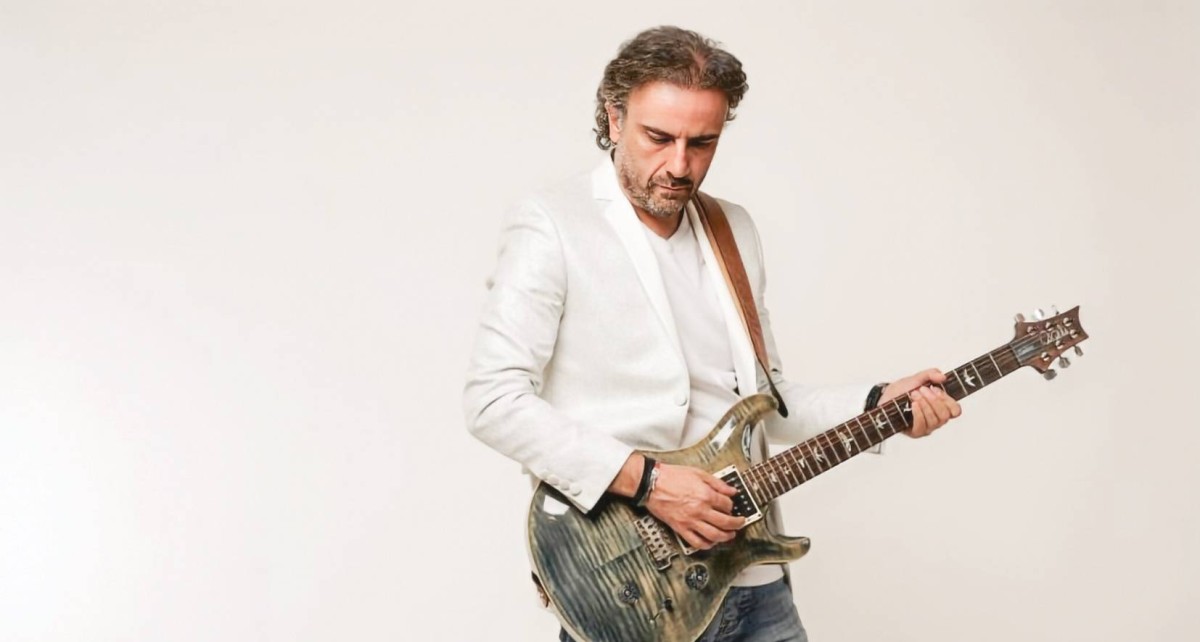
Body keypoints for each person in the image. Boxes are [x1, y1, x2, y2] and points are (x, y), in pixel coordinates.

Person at [463, 25, 962, 642]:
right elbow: (492, 401)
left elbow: (768, 400)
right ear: (614, 119)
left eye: (702, 143)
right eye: (659, 137)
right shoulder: (553, 224)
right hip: (634, 589)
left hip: (753, 580)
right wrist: (650, 484)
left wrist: (879, 403)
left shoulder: (734, 229)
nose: (680, 165)